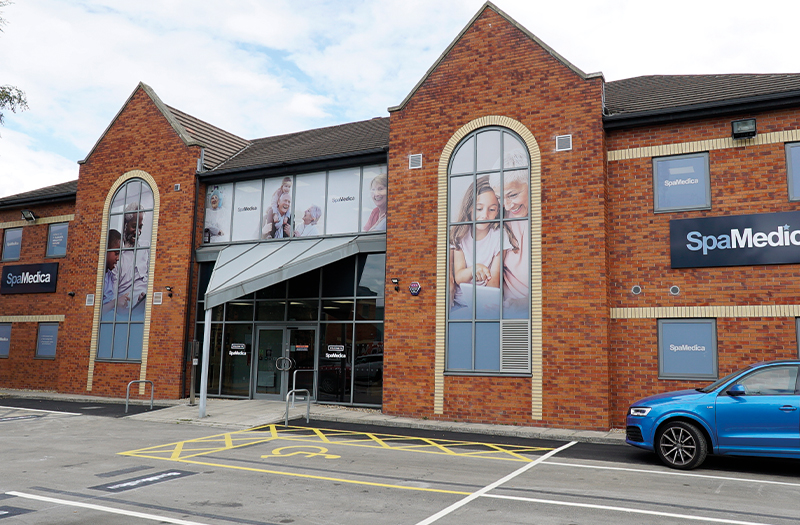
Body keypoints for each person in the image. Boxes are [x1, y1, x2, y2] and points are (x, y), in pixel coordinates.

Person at [450, 176, 502, 314]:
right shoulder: (460, 235)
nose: (485, 215)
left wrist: (485, 305)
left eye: (492, 209)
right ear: (469, 208)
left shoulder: (498, 237)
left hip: (485, 306)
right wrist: (474, 270)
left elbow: (494, 281)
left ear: (498, 211)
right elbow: (459, 277)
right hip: (460, 304)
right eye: (479, 208)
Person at [493, 170, 530, 318]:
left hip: (528, 310)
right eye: (500, 198)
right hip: (503, 309)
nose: (507, 206)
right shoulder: (500, 218)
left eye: (513, 195)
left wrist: (524, 304)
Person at [116, 203, 149, 318]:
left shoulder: (146, 248)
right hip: (127, 313)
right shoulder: (116, 255)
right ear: (125, 225)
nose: (138, 232)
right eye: (134, 226)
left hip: (147, 306)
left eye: (140, 227)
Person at [102, 229, 121, 315]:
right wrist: (115, 303)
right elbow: (96, 311)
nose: (118, 258)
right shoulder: (98, 277)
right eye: (116, 253)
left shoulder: (110, 275)